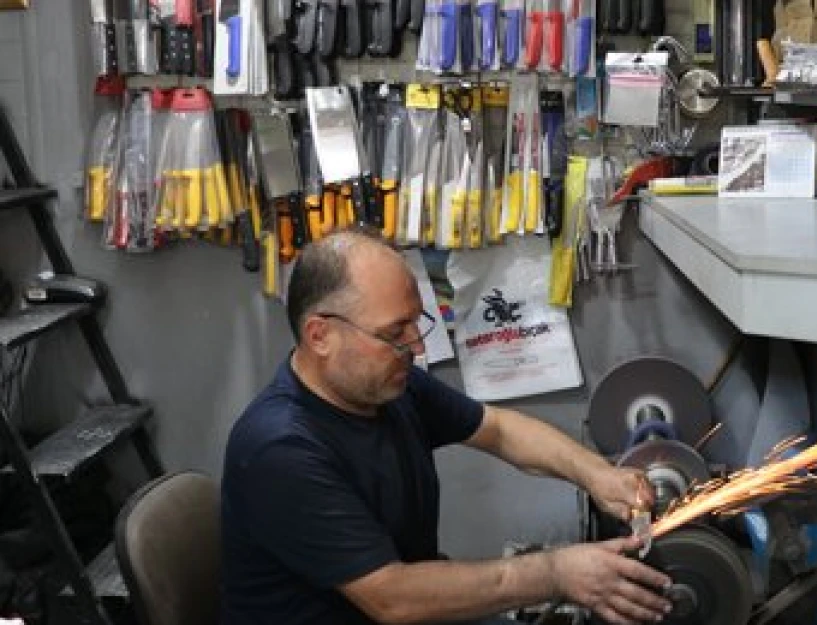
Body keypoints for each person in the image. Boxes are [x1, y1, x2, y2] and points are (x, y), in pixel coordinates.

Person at [221, 230, 673, 625]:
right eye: (393, 334)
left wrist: (595, 473)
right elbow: (391, 597)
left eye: (417, 324)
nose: (416, 348)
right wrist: (555, 574)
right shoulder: (280, 449)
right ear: (319, 335)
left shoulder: (390, 389)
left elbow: (498, 429)